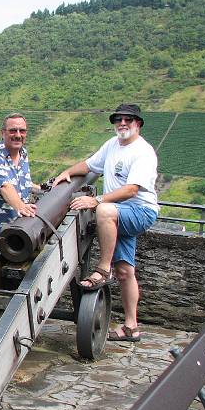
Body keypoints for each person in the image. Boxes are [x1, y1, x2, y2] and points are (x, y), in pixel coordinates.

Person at [53, 103, 159, 342]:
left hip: (139, 211)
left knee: (104, 211)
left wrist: (96, 200)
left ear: (138, 124)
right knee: (126, 271)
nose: (122, 123)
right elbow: (89, 165)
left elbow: (132, 190)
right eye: (118, 119)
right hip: (120, 212)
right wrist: (66, 172)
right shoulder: (112, 145)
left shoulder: (143, 152)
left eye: (128, 119)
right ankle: (131, 327)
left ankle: (102, 269)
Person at [0, 113, 39, 253]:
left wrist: (44, 189)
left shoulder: (23, 154)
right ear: (3, 133)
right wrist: (22, 207)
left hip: (20, 234)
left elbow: (24, 184)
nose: (18, 135)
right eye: (12, 130)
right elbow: (5, 186)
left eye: (22, 131)